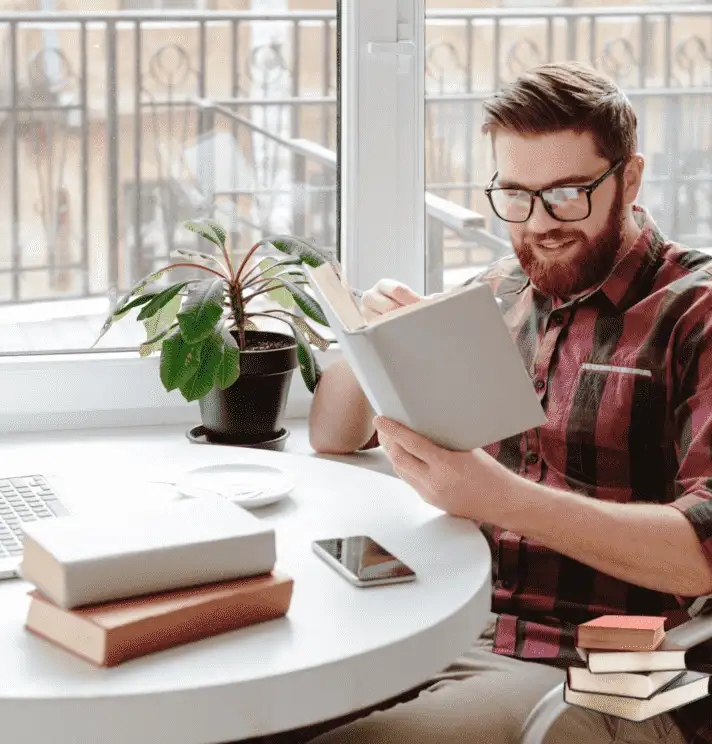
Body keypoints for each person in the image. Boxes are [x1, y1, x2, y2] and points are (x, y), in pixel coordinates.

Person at [300, 61, 712, 744]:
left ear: (629, 179)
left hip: (625, 659)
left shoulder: (694, 310)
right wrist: (369, 340)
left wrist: (496, 498)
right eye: (516, 195)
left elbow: (703, 552)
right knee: (246, 718)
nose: (539, 225)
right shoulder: (502, 291)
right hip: (460, 621)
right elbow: (333, 436)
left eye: (567, 194)